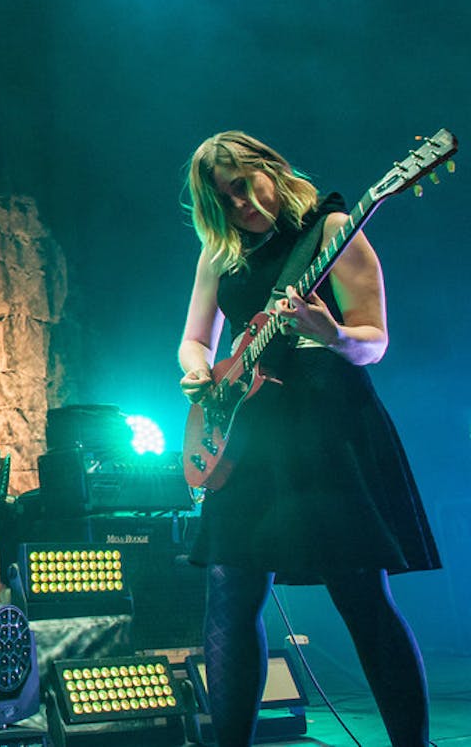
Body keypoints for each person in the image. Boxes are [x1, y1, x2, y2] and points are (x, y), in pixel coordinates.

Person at [178, 130, 439, 747]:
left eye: (244, 185)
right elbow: (195, 336)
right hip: (251, 436)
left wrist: (330, 332)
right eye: (224, 198)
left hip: (330, 428)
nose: (240, 204)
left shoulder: (333, 230)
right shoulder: (222, 252)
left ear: (271, 167)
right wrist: (195, 368)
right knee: (230, 591)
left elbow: (374, 342)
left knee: (360, 596)